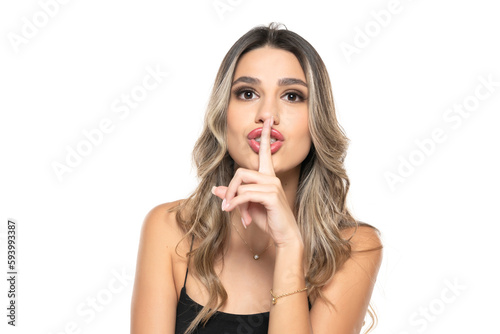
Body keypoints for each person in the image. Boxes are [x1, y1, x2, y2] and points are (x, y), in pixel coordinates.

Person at [131, 22, 383, 334]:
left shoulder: (354, 249)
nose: (267, 114)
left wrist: (289, 245)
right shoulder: (169, 229)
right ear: (223, 115)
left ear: (317, 120)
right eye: (247, 93)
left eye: (292, 96)